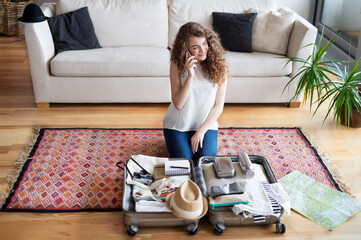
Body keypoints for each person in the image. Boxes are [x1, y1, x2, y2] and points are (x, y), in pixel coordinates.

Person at [163, 22, 229, 164]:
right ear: (185, 49)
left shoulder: (220, 66)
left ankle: (194, 138)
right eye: (195, 47)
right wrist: (190, 76)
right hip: (178, 124)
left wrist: (200, 132)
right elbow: (178, 104)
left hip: (205, 125)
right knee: (185, 162)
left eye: (204, 43)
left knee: (203, 161)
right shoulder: (176, 64)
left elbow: (218, 107)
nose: (203, 50)